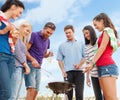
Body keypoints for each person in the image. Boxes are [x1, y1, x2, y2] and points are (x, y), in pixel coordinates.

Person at [84, 13, 119, 100]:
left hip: (107, 67)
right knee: (107, 98)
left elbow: (102, 48)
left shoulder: (107, 31)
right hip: (102, 67)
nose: (95, 27)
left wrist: (92, 63)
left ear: (102, 21)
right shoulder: (103, 34)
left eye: (96, 24)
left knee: (111, 98)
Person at [24, 22, 56, 100]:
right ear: (44, 28)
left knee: (36, 91)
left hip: (38, 67)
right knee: (31, 89)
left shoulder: (48, 41)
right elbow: (25, 50)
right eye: (47, 32)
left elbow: (44, 55)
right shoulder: (34, 35)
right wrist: (32, 59)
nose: (48, 35)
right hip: (30, 64)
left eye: (51, 34)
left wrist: (48, 55)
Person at [0, 0, 25, 100]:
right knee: (6, 93)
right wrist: (5, 30)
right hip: (1, 56)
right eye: (20, 12)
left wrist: (14, 39)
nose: (20, 15)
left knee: (3, 90)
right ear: (13, 7)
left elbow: (10, 43)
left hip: (10, 57)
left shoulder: (10, 23)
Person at [57, 25, 85, 100]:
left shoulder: (81, 43)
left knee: (79, 94)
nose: (68, 34)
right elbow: (59, 60)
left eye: (69, 32)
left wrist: (80, 64)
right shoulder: (62, 45)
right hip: (67, 72)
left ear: (73, 32)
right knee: (68, 95)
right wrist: (63, 71)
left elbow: (85, 57)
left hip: (80, 72)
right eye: (66, 33)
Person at [9, 22, 32, 100]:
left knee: (16, 95)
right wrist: (26, 66)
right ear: (22, 27)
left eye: (29, 32)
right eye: (27, 30)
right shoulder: (16, 37)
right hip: (16, 67)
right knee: (13, 95)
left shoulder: (22, 40)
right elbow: (17, 52)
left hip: (20, 68)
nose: (27, 33)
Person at [82, 25, 103, 100]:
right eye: (84, 34)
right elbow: (87, 62)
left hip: (102, 72)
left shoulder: (99, 42)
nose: (86, 35)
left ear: (92, 31)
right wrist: (87, 77)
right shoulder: (86, 47)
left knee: (106, 95)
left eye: (87, 33)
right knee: (98, 97)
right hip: (93, 75)